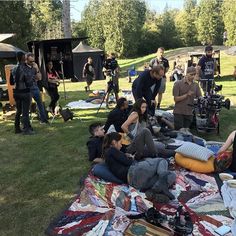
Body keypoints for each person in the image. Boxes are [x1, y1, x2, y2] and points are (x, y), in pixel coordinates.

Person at [103, 132, 176, 202]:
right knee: (162, 160)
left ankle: (153, 191)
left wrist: (125, 155)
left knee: (171, 175)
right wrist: (130, 157)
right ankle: (161, 184)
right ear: (114, 142)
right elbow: (129, 162)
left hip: (136, 183)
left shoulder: (109, 154)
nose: (121, 145)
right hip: (134, 172)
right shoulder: (111, 150)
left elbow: (122, 161)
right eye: (120, 142)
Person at [173, 66, 202, 131]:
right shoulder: (178, 84)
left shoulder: (196, 85)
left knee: (187, 132)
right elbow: (176, 99)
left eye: (194, 75)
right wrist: (186, 95)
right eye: (191, 75)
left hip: (189, 113)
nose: (193, 76)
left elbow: (199, 97)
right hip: (179, 112)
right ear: (186, 74)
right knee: (179, 131)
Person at [12, 52, 34, 135]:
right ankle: (26, 129)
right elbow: (29, 82)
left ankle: (17, 128)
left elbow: (11, 82)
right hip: (24, 92)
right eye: (24, 56)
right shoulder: (24, 68)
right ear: (22, 57)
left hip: (16, 93)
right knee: (25, 112)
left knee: (18, 111)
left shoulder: (14, 68)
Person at [25, 53, 48, 124]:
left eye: (33, 61)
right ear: (26, 60)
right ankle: (26, 123)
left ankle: (43, 120)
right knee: (27, 106)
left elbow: (39, 78)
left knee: (40, 103)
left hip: (35, 87)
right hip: (27, 88)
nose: (32, 63)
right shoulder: (23, 67)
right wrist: (34, 77)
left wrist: (37, 69)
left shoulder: (34, 67)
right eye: (31, 61)